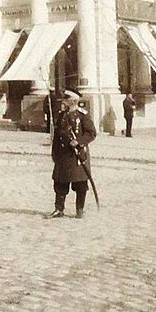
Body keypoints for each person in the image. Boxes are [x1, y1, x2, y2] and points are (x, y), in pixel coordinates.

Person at [46, 88, 97, 219]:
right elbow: (57, 136)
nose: (64, 102)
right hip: (63, 156)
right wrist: (55, 153)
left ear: (73, 101)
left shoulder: (83, 116)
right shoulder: (62, 116)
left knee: (80, 184)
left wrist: (78, 141)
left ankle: (79, 210)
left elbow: (91, 133)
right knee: (60, 183)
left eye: (66, 99)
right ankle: (59, 209)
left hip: (77, 156)